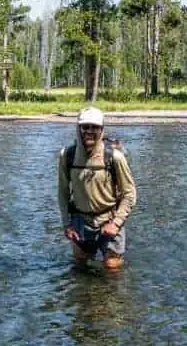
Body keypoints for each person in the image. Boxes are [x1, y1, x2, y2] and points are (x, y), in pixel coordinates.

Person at [57, 106, 136, 271]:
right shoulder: (67, 155)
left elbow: (129, 194)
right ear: (78, 129)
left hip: (109, 220)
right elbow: (63, 193)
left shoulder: (115, 157)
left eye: (95, 127)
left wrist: (116, 223)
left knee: (112, 268)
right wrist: (66, 224)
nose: (89, 131)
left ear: (102, 129)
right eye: (85, 127)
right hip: (80, 222)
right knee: (80, 268)